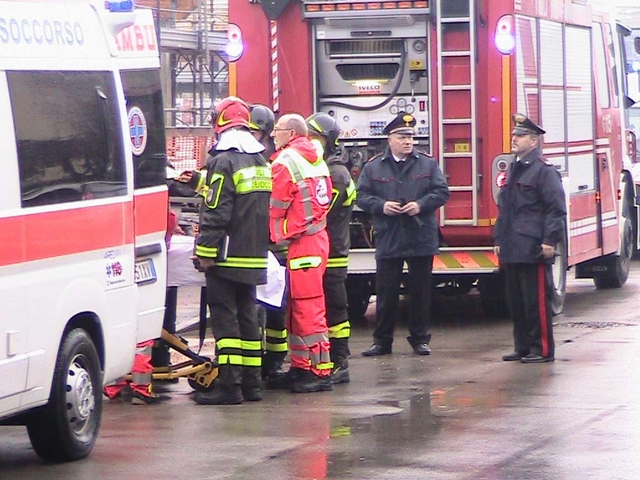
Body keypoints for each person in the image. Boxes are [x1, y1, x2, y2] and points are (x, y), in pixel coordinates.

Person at [188, 96, 271, 404]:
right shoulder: (259, 159)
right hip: (253, 255)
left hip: (225, 256)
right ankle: (251, 385)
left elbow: (216, 211)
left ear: (220, 123)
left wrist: (206, 252)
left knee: (225, 319)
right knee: (248, 315)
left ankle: (229, 387)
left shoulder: (222, 160)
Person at [356, 112, 449, 356]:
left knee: (420, 292)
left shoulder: (428, 164)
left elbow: (441, 192)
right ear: (390, 139)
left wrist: (420, 205)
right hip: (389, 235)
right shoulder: (374, 166)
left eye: (411, 137)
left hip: (420, 235)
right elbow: (362, 196)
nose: (408, 141)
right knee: (386, 293)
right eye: (402, 137)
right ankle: (382, 342)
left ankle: (420, 339)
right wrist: (381, 206)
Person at [267, 113, 333, 393]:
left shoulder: (285, 161)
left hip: (303, 241)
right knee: (297, 308)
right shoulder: (314, 157)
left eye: (277, 130)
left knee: (307, 308)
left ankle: (318, 372)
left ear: (291, 134)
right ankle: (301, 366)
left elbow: (275, 204)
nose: (273, 135)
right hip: (313, 238)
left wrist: (272, 232)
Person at [494, 113, 566, 364]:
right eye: (514, 135)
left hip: (533, 245)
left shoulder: (544, 171)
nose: (514, 139)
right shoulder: (515, 167)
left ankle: (542, 348)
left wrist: (549, 241)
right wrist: (499, 239)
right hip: (513, 245)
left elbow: (555, 210)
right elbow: (506, 208)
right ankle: (522, 346)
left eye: (520, 135)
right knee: (516, 301)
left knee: (535, 302)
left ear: (534, 141)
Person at [306, 112, 356, 384]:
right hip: (319, 251)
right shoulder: (323, 168)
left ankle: (340, 361)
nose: (310, 142)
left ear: (328, 141)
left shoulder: (336, 173)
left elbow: (319, 211)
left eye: (314, 137)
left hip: (332, 253)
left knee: (335, 309)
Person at [249, 103, 289, 380]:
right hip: (254, 244)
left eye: (254, 132)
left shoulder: (274, 162)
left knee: (276, 308)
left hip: (277, 247)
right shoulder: (246, 158)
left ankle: (274, 360)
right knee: (253, 307)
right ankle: (257, 361)